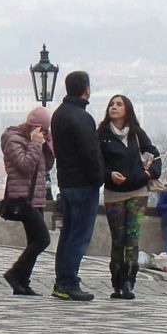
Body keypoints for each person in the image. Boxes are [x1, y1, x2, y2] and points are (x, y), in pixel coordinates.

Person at [98, 94, 161, 299]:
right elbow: (97, 162)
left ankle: (129, 282)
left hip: (137, 192)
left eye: (119, 104)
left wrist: (149, 174)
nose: (114, 107)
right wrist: (109, 175)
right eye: (111, 105)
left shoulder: (136, 133)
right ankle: (116, 280)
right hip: (114, 193)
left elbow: (154, 155)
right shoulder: (102, 134)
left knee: (132, 238)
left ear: (127, 110)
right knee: (118, 239)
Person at [50, 71, 104, 301]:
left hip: (67, 182)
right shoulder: (82, 117)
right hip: (83, 183)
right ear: (86, 89)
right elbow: (90, 153)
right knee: (79, 235)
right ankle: (68, 281)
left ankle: (62, 280)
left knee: (68, 233)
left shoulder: (59, 114)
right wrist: (99, 177)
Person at [0, 106, 55, 296]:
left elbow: (46, 166)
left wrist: (47, 144)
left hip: (36, 198)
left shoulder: (38, 140)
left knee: (34, 240)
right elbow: (25, 166)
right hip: (22, 198)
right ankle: (15, 274)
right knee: (42, 239)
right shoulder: (13, 139)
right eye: (45, 130)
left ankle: (22, 282)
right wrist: (35, 144)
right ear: (34, 127)